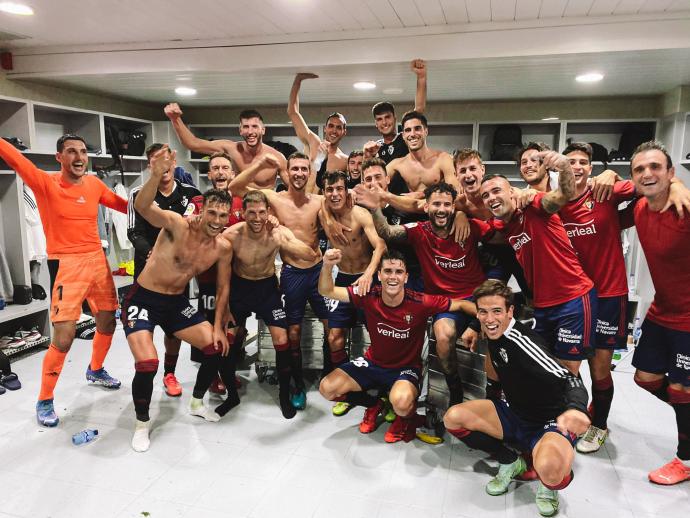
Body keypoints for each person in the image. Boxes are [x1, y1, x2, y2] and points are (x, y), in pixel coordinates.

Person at [0, 134, 127, 427]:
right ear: (59, 157)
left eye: (83, 151)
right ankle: (45, 399)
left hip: (98, 261)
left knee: (107, 322)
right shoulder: (46, 183)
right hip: (67, 265)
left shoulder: (95, 183)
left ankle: (95, 370)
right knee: (64, 337)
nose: (79, 157)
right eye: (71, 151)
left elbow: (124, 207)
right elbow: (16, 160)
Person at [444, 280, 590, 516]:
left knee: (550, 470)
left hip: (548, 423)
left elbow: (569, 379)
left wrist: (577, 409)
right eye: (483, 312)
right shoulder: (491, 332)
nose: (489, 319)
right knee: (453, 418)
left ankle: (548, 487)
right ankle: (511, 461)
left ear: (510, 311)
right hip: (515, 414)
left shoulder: (524, 343)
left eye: (497, 311)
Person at [126, 147, 234, 452]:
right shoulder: (177, 224)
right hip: (144, 298)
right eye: (211, 213)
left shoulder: (222, 247)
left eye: (222, 216)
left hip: (175, 303)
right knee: (147, 363)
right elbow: (144, 206)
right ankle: (142, 423)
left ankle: (197, 402)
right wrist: (156, 173)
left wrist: (217, 326)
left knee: (215, 346)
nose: (216, 220)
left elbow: (223, 288)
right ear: (202, 211)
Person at [319, 248, 476, 442]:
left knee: (401, 403)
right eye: (387, 271)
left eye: (398, 272)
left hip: (405, 369)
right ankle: (375, 403)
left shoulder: (421, 302)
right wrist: (327, 265)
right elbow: (326, 290)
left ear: (406, 277)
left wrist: (480, 322)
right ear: (379, 275)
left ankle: (407, 421)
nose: (393, 277)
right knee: (327, 388)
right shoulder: (368, 295)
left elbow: (460, 304)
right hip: (373, 363)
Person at [359, 181, 491, 406]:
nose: (441, 209)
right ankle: (455, 392)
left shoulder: (469, 226)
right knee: (442, 335)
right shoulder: (420, 231)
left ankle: (497, 397)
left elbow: (501, 236)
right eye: (436, 204)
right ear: (426, 207)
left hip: (477, 298)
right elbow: (388, 232)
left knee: (498, 333)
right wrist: (374, 209)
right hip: (447, 302)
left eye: (447, 205)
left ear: (453, 207)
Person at [479, 151, 596, 376]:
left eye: (496, 191)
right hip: (542, 304)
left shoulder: (534, 204)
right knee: (545, 366)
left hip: (573, 298)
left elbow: (563, 196)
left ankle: (577, 411)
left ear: (512, 192)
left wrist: (564, 167)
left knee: (567, 370)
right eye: (486, 196)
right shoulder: (502, 225)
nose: (491, 198)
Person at [229, 151, 329, 410]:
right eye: (293, 168)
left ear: (309, 173)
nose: (298, 173)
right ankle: (297, 384)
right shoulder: (274, 198)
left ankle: (331, 378)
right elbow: (236, 187)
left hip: (317, 270)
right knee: (292, 334)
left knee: (334, 329)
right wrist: (260, 163)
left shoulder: (319, 200)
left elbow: (342, 206)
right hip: (292, 273)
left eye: (303, 169)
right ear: (286, 173)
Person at [624, 141, 690, 485]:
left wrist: (682, 188)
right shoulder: (639, 210)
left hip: (689, 318)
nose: (647, 174)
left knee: (681, 387)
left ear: (670, 172)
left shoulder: (687, 208)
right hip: (662, 309)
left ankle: (686, 459)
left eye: (655, 167)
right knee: (645, 378)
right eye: (639, 169)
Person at [127, 143, 201, 398]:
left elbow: (198, 229)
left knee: (173, 328)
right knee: (144, 328)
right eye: (156, 160)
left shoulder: (190, 193)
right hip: (147, 272)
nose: (162, 165)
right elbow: (133, 231)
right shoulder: (138, 192)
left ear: (173, 161)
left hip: (177, 274)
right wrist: (150, 254)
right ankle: (146, 370)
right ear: (150, 165)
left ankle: (170, 373)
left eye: (166, 159)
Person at [319, 171, 386, 381]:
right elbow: (320, 205)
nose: (335, 194)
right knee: (334, 338)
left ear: (346, 190)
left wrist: (368, 274)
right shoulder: (323, 212)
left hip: (367, 280)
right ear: (324, 192)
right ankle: (343, 380)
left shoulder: (360, 214)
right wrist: (329, 219)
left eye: (339, 188)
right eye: (330, 190)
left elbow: (380, 245)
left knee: (378, 337)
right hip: (343, 280)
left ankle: (378, 379)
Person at [189, 151, 245, 397]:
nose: (221, 172)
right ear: (209, 174)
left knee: (237, 326)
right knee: (212, 326)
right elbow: (184, 224)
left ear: (232, 173)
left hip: (238, 278)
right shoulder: (198, 203)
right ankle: (212, 374)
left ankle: (226, 369)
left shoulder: (242, 203)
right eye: (216, 168)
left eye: (225, 168)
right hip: (209, 280)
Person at [164, 103, 288, 189]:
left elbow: (295, 189)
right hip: (233, 210)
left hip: (261, 214)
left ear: (263, 130)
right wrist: (175, 119)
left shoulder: (277, 158)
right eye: (246, 127)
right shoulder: (230, 149)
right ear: (240, 130)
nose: (250, 132)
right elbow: (193, 144)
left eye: (255, 127)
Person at [287, 73, 348, 191]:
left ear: (344, 132)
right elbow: (292, 112)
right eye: (331, 126)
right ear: (325, 128)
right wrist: (298, 81)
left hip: (319, 206)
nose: (334, 130)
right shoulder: (313, 141)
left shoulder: (344, 160)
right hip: (299, 200)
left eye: (339, 127)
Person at [363, 58, 428, 165]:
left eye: (387, 117)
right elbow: (368, 176)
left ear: (394, 118)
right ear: (376, 123)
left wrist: (421, 77)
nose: (384, 122)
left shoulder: (406, 138)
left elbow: (419, 110)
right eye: (379, 119)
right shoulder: (375, 148)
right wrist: (367, 157)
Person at [384, 110, 459, 194]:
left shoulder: (443, 159)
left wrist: (418, 198)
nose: (412, 134)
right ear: (403, 135)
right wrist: (367, 156)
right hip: (409, 206)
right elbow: (373, 182)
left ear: (426, 131)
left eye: (417, 128)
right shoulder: (398, 164)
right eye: (408, 130)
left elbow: (455, 194)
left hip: (436, 206)